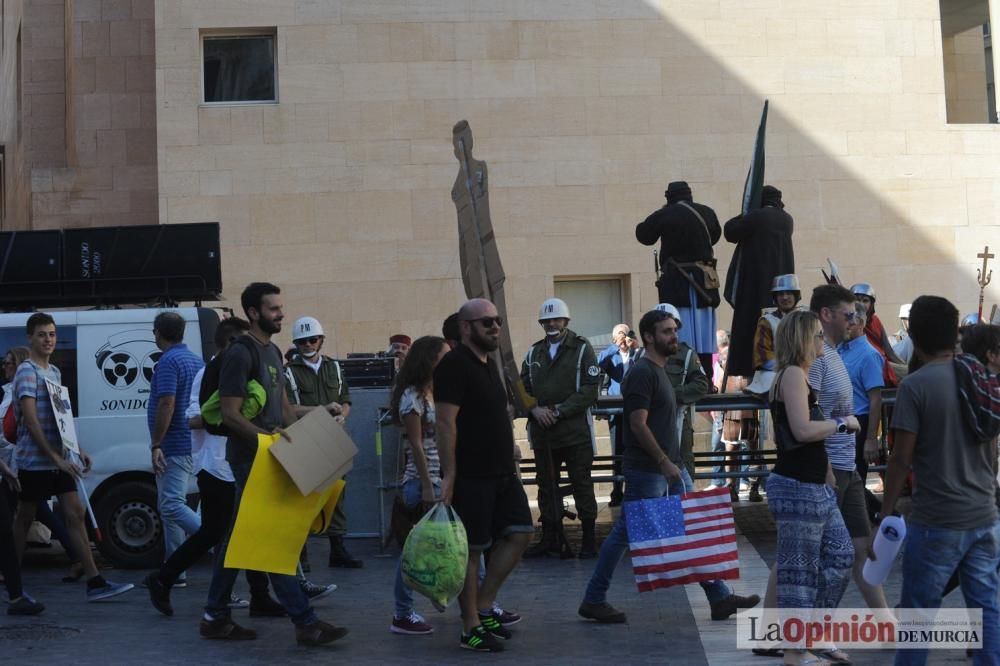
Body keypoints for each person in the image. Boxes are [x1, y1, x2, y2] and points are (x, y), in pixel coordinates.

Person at [578, 308, 759, 625]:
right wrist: (663, 462)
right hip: (650, 470)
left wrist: (670, 463)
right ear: (648, 336)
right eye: (666, 331)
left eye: (674, 330)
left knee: (690, 530)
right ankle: (594, 598)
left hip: (670, 468)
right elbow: (637, 424)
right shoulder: (642, 373)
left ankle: (719, 597)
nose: (673, 336)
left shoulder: (659, 369)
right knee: (624, 534)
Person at [201, 283, 347, 646]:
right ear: (253, 312)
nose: (281, 314)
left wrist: (320, 410)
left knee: (239, 538)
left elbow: (283, 411)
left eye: (281, 308)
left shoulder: (273, 354)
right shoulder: (240, 354)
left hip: (268, 456)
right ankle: (305, 621)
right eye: (273, 309)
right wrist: (266, 443)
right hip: (253, 459)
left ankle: (214, 615)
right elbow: (232, 416)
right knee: (272, 538)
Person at [878, 296, 1000, 666]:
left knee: (918, 613)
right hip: (983, 514)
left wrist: (886, 513)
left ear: (913, 335)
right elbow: (992, 448)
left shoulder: (915, 387)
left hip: (937, 519)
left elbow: (901, 459)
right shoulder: (980, 379)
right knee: (987, 607)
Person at [144, 317, 291, 617]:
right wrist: (233, 419)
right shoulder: (209, 372)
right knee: (216, 532)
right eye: (241, 342)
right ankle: (165, 579)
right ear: (229, 343)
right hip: (215, 463)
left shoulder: (235, 370)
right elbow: (193, 416)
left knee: (246, 529)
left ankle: (258, 595)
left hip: (234, 460)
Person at [11, 313, 133, 601]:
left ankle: (95, 581)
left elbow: (61, 418)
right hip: (35, 460)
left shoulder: (54, 372)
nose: (48, 339)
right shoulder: (26, 371)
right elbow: (30, 421)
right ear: (30, 337)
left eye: (52, 334)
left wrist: (77, 449)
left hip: (60, 459)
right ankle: (12, 581)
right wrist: (55, 457)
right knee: (25, 517)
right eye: (42, 334)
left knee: (75, 515)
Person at [436, 298, 533, 653]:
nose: (495, 327)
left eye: (497, 322)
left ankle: (485, 604)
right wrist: (449, 475)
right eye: (486, 323)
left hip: (502, 471)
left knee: (521, 532)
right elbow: (445, 422)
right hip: (472, 475)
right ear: (466, 328)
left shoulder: (489, 363)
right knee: (472, 551)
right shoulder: (453, 365)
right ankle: (469, 627)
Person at [767, 308, 858, 666]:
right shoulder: (791, 374)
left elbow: (799, 436)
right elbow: (802, 431)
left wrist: (828, 475)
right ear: (803, 339)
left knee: (840, 555)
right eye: (817, 335)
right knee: (799, 574)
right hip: (795, 487)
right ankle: (795, 652)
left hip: (812, 485)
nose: (823, 340)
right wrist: (842, 423)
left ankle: (812, 634)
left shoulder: (800, 377)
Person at [806, 288, 887, 615]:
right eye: (849, 314)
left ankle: (885, 622)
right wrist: (823, 465)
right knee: (804, 553)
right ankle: (781, 631)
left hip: (847, 467)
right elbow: (809, 414)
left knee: (862, 547)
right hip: (828, 469)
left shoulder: (840, 352)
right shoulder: (816, 357)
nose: (855, 320)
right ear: (827, 315)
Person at [521, 298, 600, 559]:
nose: (551, 324)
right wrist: (533, 409)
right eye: (547, 321)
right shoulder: (533, 353)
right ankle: (550, 538)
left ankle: (589, 539)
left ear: (566, 322)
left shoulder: (582, 348)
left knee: (582, 485)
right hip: (544, 435)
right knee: (547, 487)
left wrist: (559, 411)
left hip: (575, 433)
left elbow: (590, 389)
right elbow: (521, 388)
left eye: (556, 320)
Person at [285, 316, 362, 570]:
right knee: (304, 496)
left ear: (321, 340)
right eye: (302, 341)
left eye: (312, 339)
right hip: (305, 438)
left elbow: (346, 400)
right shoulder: (289, 372)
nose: (307, 344)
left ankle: (337, 549)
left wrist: (342, 414)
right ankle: (301, 553)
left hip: (333, 435)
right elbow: (289, 409)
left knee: (336, 492)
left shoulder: (335, 368)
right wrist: (321, 409)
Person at [388, 335, 450, 635]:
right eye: (443, 356)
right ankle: (402, 612)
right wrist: (427, 485)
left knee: (443, 548)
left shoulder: (437, 392)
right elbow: (414, 443)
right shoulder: (413, 396)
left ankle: (479, 604)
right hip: (423, 481)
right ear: (429, 360)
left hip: (442, 480)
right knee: (415, 553)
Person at [636, 180, 722, 378]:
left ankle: (682, 375)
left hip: (678, 282)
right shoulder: (707, 212)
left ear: (669, 198)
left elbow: (643, 234)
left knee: (678, 331)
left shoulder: (665, 214)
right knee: (705, 335)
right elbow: (716, 235)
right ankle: (706, 377)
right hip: (705, 282)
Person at [148, 312, 204, 581]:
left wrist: (156, 443)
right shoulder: (195, 360)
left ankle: (213, 539)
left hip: (175, 443)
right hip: (192, 442)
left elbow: (167, 403)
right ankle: (174, 571)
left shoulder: (168, 362)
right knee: (170, 506)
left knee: (171, 505)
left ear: (159, 332)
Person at [722, 185, 795, 379]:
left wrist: (746, 212)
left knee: (751, 331)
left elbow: (730, 232)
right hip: (781, 288)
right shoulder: (787, 219)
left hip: (756, 286)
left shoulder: (757, 217)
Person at [655, 304, 711, 486]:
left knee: (683, 471)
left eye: (672, 327)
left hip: (679, 420)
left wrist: (671, 394)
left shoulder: (687, 354)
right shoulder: (642, 354)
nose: (669, 332)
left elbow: (701, 385)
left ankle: (685, 511)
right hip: (650, 421)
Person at [840, 301, 886, 522]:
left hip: (859, 423)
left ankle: (870, 518)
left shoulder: (869, 355)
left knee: (854, 481)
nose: (844, 324)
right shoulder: (839, 348)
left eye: (848, 319)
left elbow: (875, 400)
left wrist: (871, 439)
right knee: (845, 480)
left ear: (859, 322)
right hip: (841, 423)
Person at [598, 323, 641, 506]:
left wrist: (635, 346)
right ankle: (617, 490)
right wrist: (615, 345)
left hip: (635, 410)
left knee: (636, 450)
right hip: (616, 411)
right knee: (617, 451)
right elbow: (598, 362)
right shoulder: (612, 356)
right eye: (620, 335)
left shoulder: (637, 355)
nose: (624, 338)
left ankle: (634, 491)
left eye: (626, 334)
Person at [746, 274, 802, 395]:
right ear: (775, 297)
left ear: (796, 295)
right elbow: (763, 356)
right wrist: (789, 369)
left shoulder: (805, 320)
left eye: (789, 293)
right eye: (780, 294)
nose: (785, 297)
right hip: (772, 374)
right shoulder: (766, 321)